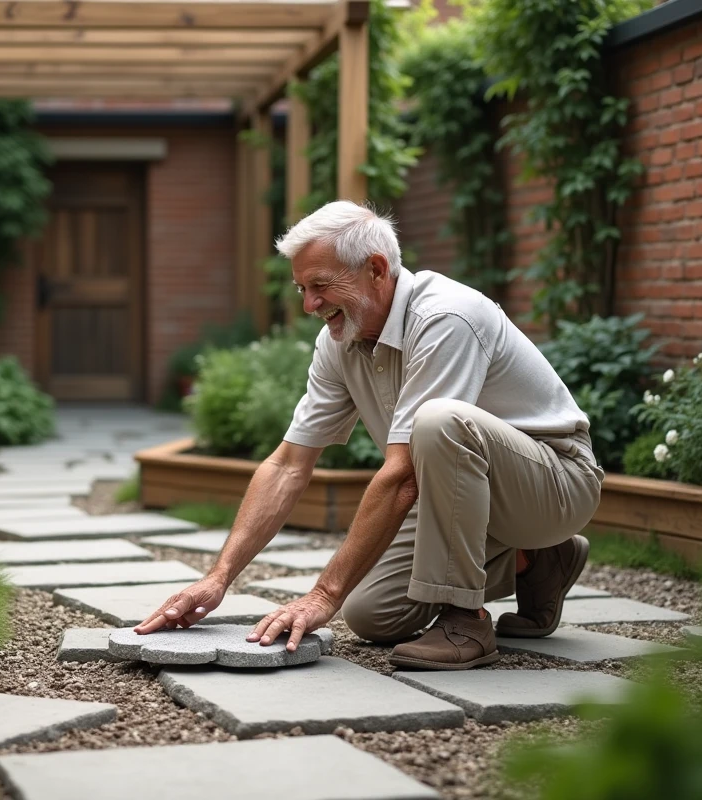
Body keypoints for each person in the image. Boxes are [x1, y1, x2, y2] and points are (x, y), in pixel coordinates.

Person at [133, 200, 604, 670]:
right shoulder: (340, 341)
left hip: (556, 482)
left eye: (320, 286)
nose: (309, 305)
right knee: (373, 613)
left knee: (439, 421)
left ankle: (466, 620)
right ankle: (536, 563)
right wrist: (218, 578)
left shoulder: (445, 318)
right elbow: (288, 465)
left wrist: (321, 594)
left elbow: (403, 477)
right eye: (301, 288)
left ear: (376, 269)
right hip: (465, 492)